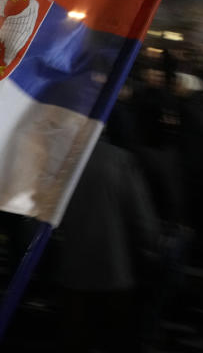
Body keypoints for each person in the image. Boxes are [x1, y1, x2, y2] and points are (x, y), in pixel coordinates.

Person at [54, 127, 160, 353]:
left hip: (73, 272)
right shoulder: (121, 160)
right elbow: (143, 222)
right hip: (115, 273)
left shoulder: (61, 160)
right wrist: (148, 256)